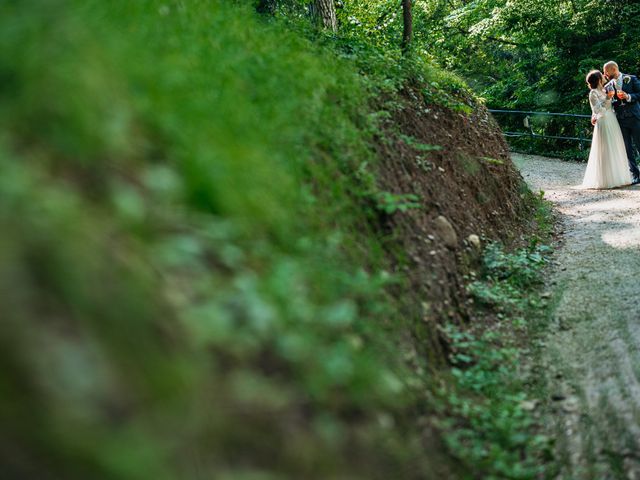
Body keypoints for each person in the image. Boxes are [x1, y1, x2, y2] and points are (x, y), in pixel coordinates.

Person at [582, 69, 631, 189]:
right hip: (604, 121)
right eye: (601, 76)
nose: (604, 77)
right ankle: (606, 180)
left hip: (612, 119)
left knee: (615, 146)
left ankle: (619, 177)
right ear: (599, 79)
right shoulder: (593, 93)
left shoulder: (604, 90)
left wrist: (609, 98)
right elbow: (598, 110)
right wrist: (608, 99)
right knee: (606, 147)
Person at [594, 61, 640, 184]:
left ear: (614, 69)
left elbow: (639, 94)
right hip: (620, 121)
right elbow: (601, 103)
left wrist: (628, 96)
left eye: (606, 71)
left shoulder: (631, 79)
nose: (604, 74)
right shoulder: (608, 86)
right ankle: (636, 175)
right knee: (627, 149)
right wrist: (594, 115)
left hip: (635, 118)